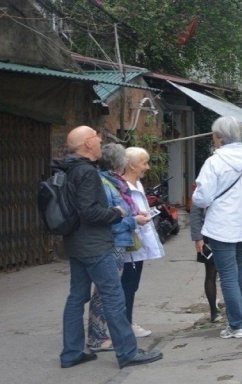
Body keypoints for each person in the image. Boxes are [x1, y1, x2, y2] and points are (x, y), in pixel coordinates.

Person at [58, 126, 162, 369]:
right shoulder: (86, 172)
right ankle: (127, 353)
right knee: (113, 297)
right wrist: (117, 212)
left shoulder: (68, 168)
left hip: (76, 242)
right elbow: (90, 212)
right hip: (95, 244)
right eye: (96, 137)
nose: (100, 140)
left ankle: (71, 353)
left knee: (77, 297)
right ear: (87, 144)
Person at [192, 116, 242, 339]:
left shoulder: (214, 162)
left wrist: (197, 196)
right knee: (240, 267)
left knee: (227, 275)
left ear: (219, 137)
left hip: (222, 227)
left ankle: (236, 325)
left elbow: (202, 198)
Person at [86, 143, 150, 353]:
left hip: (119, 242)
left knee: (108, 290)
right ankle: (98, 337)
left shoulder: (114, 182)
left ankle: (103, 335)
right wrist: (133, 221)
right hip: (113, 242)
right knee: (106, 292)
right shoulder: (107, 184)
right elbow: (110, 218)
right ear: (120, 162)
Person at [122, 147, 166, 337]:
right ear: (131, 165)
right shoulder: (123, 187)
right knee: (127, 284)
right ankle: (124, 325)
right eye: (144, 163)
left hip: (138, 242)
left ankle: (126, 322)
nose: (147, 167)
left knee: (132, 284)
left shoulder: (137, 184)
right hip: (129, 243)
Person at [190, 203, 220, 323]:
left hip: (212, 234)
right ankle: (214, 311)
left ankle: (216, 312)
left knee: (212, 274)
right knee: (211, 273)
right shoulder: (205, 185)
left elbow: (195, 213)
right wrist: (198, 238)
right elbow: (195, 213)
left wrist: (198, 237)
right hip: (210, 235)